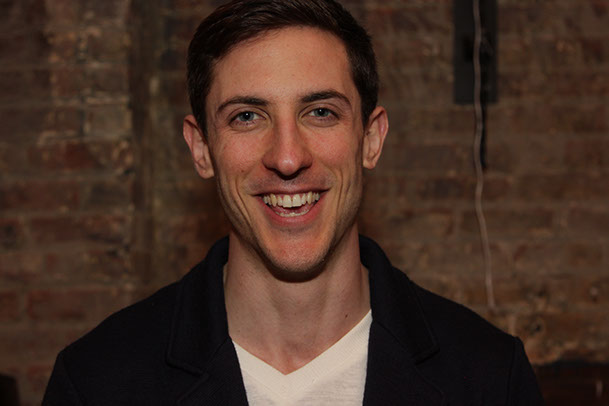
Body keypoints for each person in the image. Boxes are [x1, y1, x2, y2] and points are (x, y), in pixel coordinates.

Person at [43, 0, 544, 404]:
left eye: (320, 112)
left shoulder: (489, 378)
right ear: (201, 149)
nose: (287, 157)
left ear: (371, 139)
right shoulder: (96, 382)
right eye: (247, 117)